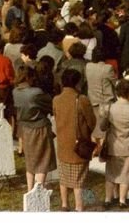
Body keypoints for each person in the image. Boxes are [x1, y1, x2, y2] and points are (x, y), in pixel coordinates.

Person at [52, 68, 97, 212]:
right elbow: (92, 122)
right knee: (78, 179)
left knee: (64, 177)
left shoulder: (56, 99)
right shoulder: (82, 99)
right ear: (77, 83)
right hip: (79, 145)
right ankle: (79, 207)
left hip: (62, 143)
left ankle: (64, 204)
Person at [100, 78, 129, 209]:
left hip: (113, 145)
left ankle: (108, 199)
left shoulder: (109, 108)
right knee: (126, 173)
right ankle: (122, 200)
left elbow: (103, 127)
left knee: (111, 174)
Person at [13, 66, 57, 192]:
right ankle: (38, 190)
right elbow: (50, 105)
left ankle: (30, 189)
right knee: (42, 160)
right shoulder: (36, 93)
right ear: (29, 77)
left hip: (25, 128)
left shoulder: (15, 91)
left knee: (30, 161)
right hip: (39, 127)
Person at [85, 51, 116, 154]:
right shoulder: (108, 68)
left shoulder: (88, 66)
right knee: (104, 128)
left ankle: (95, 149)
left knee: (95, 127)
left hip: (92, 99)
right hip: (105, 101)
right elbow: (114, 82)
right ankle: (103, 150)